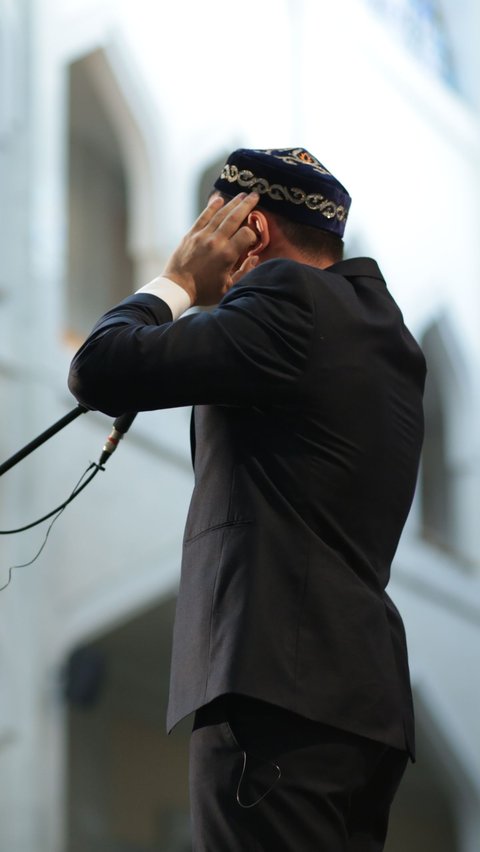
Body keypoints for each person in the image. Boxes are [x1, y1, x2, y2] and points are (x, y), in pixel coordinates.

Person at [68, 147, 426, 851]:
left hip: (275, 693)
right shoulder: (388, 338)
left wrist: (174, 282)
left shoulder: (287, 298)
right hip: (362, 704)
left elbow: (100, 367)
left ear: (250, 231)